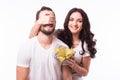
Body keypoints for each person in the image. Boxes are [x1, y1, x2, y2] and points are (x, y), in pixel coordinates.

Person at [29, 7, 97, 80]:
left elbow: (85, 72)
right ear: (67, 21)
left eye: (79, 21)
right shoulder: (58, 34)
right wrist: (39, 22)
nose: (74, 24)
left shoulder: (85, 45)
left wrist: (74, 65)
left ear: (84, 24)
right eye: (71, 20)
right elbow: (32, 38)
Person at [16, 6, 70, 80]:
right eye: (44, 19)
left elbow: (67, 78)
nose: (48, 21)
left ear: (55, 22)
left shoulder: (63, 48)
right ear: (37, 23)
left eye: (52, 18)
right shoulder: (27, 47)